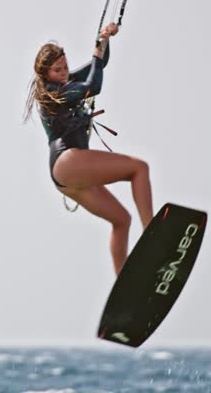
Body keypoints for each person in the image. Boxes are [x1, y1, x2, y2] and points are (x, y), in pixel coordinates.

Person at [24, 23, 153, 275]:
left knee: (121, 220)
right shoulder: (54, 92)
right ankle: (153, 235)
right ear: (46, 73)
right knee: (139, 168)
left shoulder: (64, 82)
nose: (64, 73)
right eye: (57, 70)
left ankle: (123, 287)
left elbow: (99, 65)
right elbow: (94, 85)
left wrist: (104, 40)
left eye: (65, 67)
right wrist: (95, 56)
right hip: (68, 160)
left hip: (65, 178)